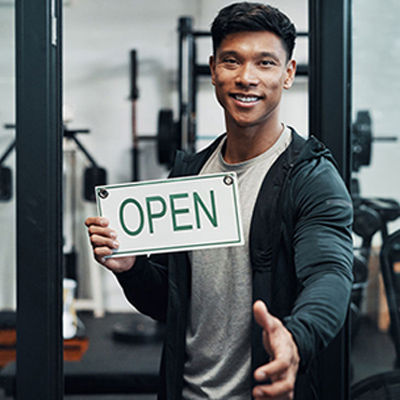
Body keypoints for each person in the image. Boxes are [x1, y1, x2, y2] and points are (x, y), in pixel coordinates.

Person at [85, 2, 353, 399]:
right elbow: (173, 303)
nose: (247, 77)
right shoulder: (189, 174)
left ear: (288, 74)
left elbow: (330, 273)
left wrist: (295, 338)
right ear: (213, 70)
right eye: (232, 61)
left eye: (265, 63)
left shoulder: (311, 177)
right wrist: (130, 268)